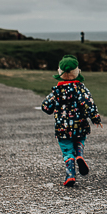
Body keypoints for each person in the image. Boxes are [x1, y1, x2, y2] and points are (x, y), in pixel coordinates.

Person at [41, 55, 102, 187]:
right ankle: (79, 155)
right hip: (80, 125)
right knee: (80, 140)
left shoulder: (57, 91)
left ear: (60, 72)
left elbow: (45, 106)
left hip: (62, 128)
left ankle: (70, 174)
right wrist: (95, 118)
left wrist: (52, 106)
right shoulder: (80, 88)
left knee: (67, 150)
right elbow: (88, 103)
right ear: (77, 71)